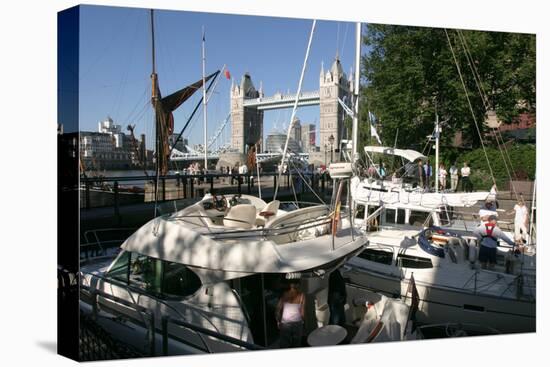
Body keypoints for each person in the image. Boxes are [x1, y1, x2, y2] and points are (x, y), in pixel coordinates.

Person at [276, 281, 305, 348]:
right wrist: (303, 322)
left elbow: (278, 309)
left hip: (285, 323)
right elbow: (302, 311)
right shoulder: (301, 295)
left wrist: (278, 321)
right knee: (296, 344)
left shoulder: (284, 295)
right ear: (298, 286)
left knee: (284, 344)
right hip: (297, 322)